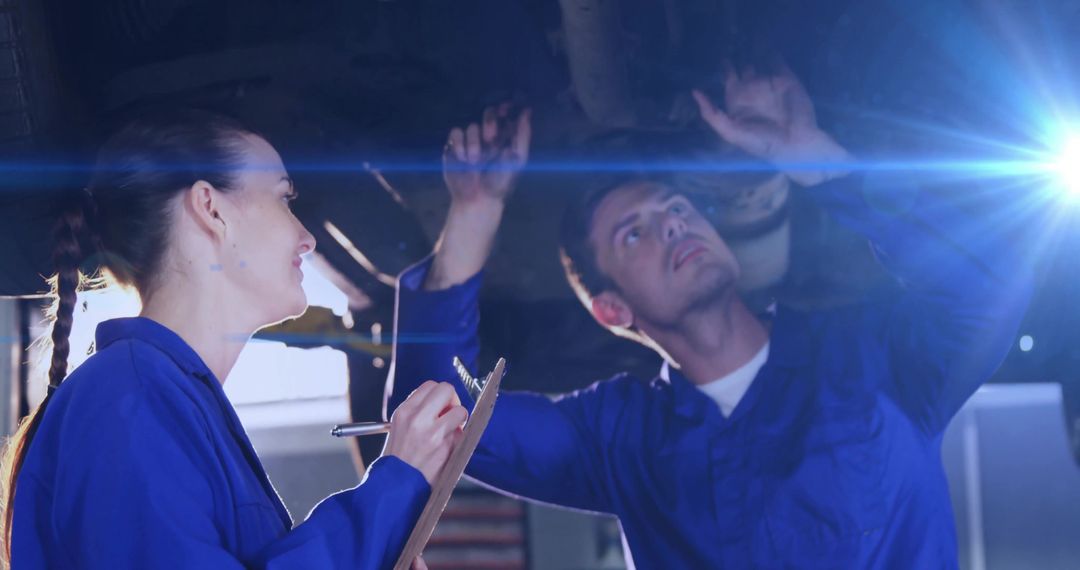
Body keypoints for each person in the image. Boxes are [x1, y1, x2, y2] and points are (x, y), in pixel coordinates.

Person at [387, 64, 1033, 567]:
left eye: (674, 208)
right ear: (613, 308)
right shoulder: (619, 440)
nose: (671, 225)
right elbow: (442, 417)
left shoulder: (874, 359)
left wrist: (816, 158)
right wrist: (473, 212)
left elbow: (988, 282)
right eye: (633, 234)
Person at [0, 109, 467, 569]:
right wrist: (395, 485)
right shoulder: (126, 395)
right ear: (211, 209)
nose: (307, 237)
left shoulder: (153, 399)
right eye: (284, 199)